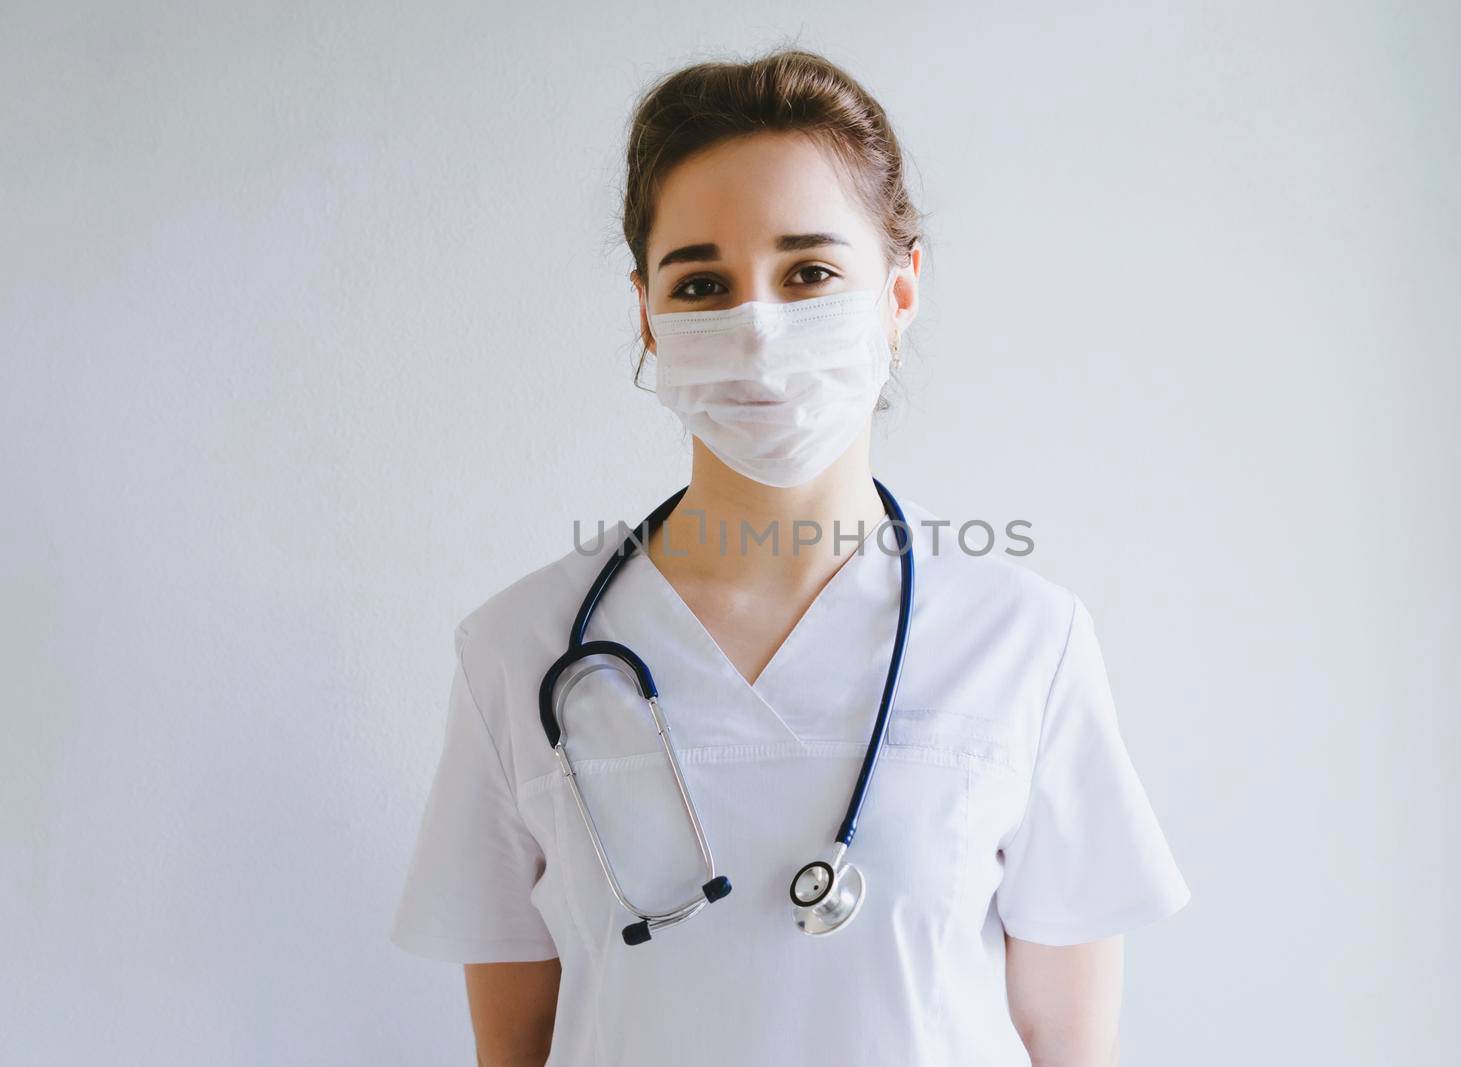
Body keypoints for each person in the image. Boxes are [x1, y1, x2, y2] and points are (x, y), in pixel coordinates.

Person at [390, 46, 1188, 1067]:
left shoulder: (1023, 639)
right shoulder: (520, 651)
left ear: (899, 292)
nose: (757, 328)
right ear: (645, 312)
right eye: (702, 283)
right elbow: (515, 1047)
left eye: (809, 271)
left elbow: (1070, 1043)